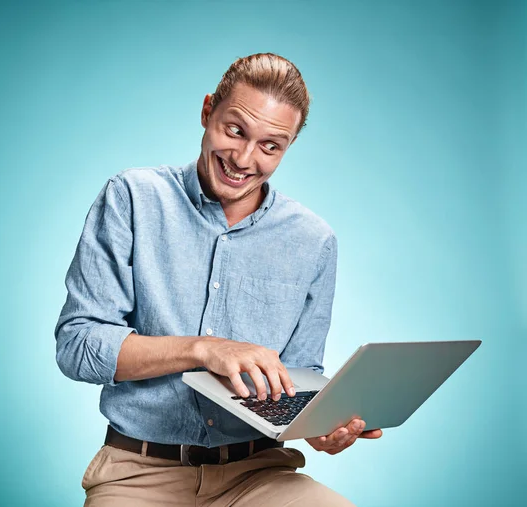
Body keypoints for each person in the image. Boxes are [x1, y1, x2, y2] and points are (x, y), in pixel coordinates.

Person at [55, 52, 382, 507]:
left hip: (259, 475)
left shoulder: (314, 240)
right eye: (235, 130)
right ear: (208, 110)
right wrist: (204, 349)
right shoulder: (132, 198)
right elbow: (78, 346)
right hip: (138, 475)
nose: (245, 159)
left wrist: (318, 429)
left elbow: (299, 377)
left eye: (271, 146)